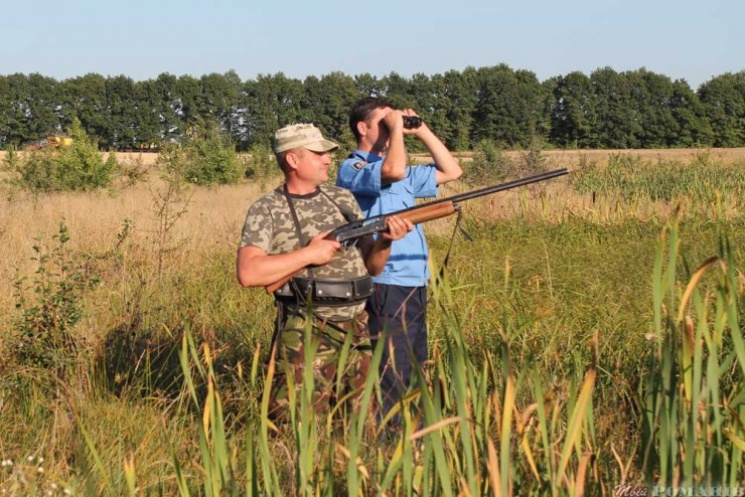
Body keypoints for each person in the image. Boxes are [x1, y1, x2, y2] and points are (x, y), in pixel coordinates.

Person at [236, 123, 413, 419]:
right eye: (318, 153)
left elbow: (372, 266)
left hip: (358, 327)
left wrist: (385, 240)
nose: (328, 159)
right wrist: (309, 254)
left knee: (363, 425)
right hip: (308, 328)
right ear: (293, 160)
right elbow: (249, 273)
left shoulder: (341, 199)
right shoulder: (267, 208)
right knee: (298, 425)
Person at [335, 97, 463, 423]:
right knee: (393, 367)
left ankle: (414, 432)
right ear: (363, 128)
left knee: (415, 364)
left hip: (414, 280)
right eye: (383, 122)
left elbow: (452, 171)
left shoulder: (403, 171)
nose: (392, 126)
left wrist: (420, 130)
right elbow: (391, 170)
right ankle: (391, 440)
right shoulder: (353, 168)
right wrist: (397, 130)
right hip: (385, 279)